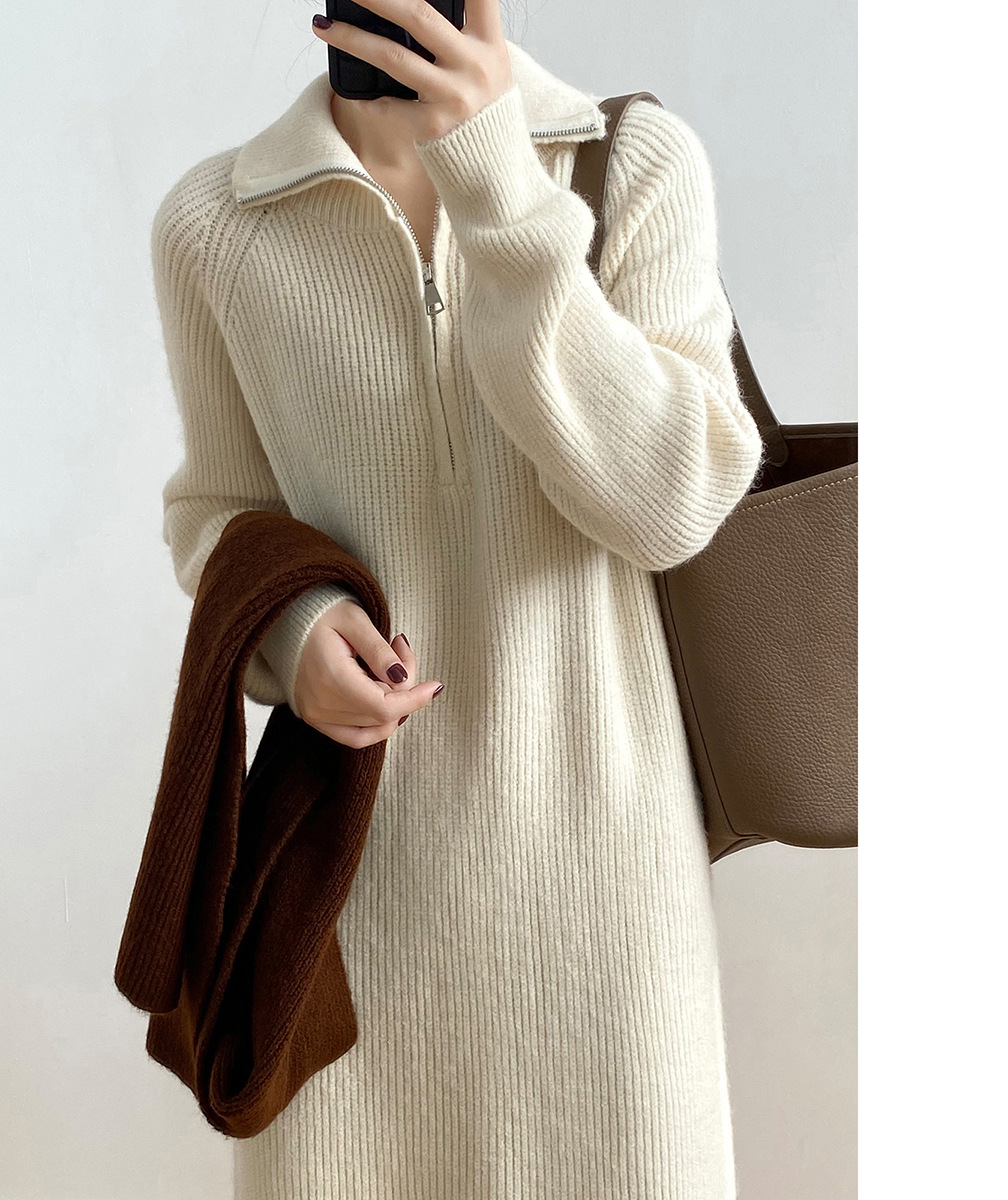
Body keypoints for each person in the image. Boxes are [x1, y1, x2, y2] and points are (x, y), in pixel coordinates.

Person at [152, 1, 763, 1195]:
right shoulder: (217, 224)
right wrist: (292, 628)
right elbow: (216, 514)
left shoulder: (629, 163)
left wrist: (500, 187)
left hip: (608, 916)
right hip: (350, 907)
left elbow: (671, 503)